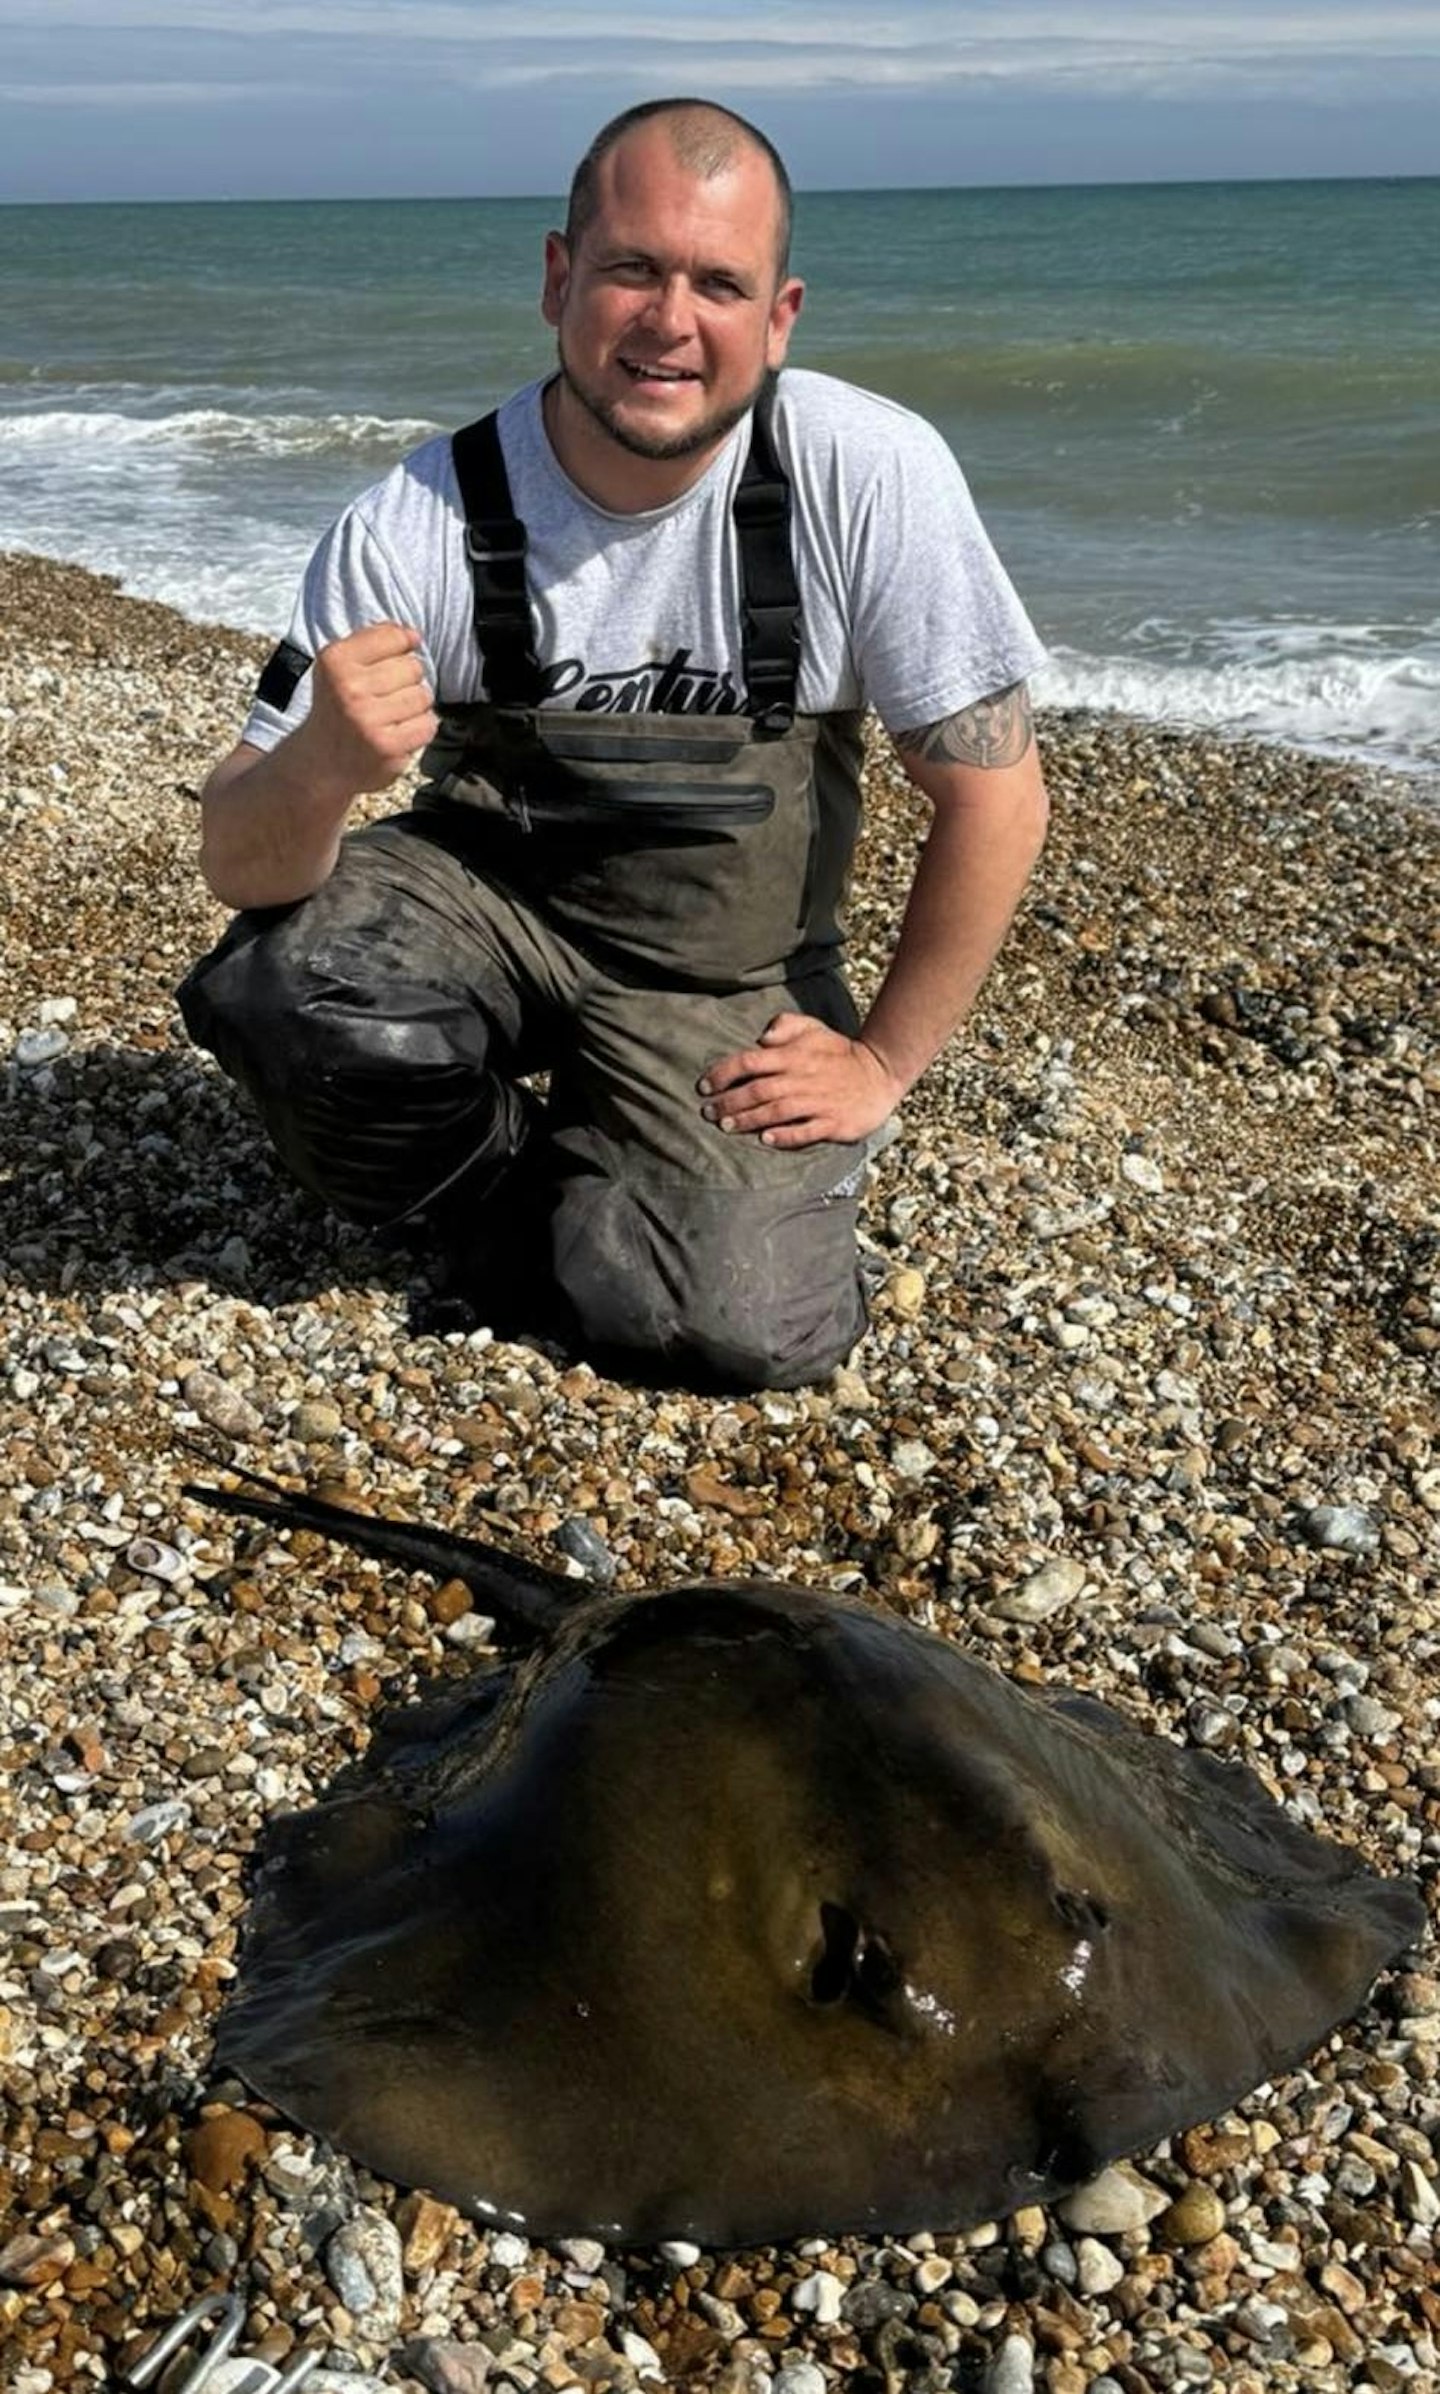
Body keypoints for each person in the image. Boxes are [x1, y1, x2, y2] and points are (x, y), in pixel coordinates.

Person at [180, 97, 1049, 1390]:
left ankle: (639, 1170)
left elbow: (996, 796)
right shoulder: (418, 517)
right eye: (633, 267)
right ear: (557, 276)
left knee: (746, 1332)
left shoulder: (864, 473)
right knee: (280, 987)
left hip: (724, 978)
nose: (669, 319)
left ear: (780, 315)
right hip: (489, 914)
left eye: (718, 282)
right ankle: (506, 1189)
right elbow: (238, 865)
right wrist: (320, 767)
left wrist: (880, 1061)